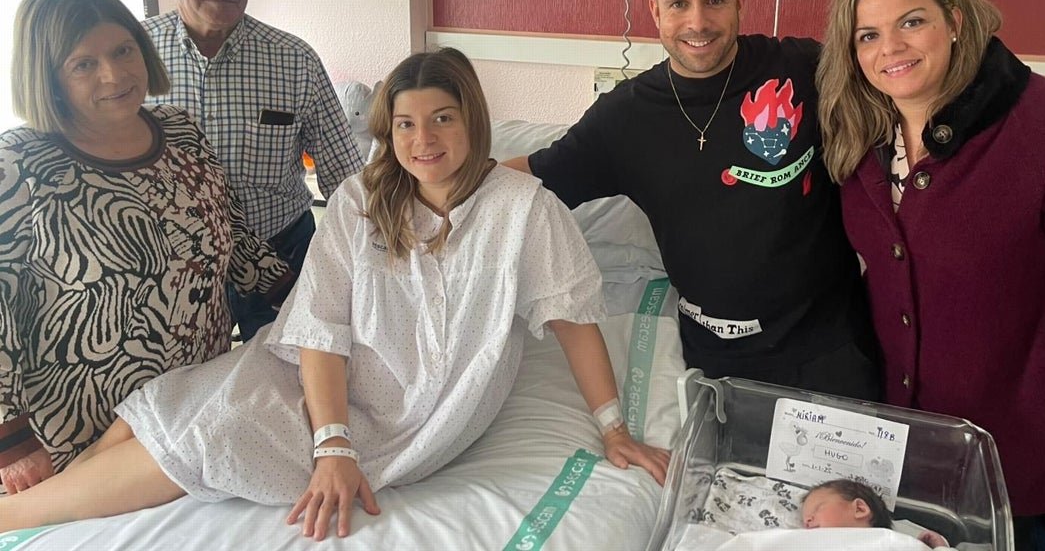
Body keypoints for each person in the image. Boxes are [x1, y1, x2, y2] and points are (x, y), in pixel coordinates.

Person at [0, 47, 670, 539]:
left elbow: (573, 317)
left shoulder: (524, 209)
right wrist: (333, 445)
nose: (423, 140)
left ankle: (17, 519)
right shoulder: (361, 198)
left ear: (473, 121)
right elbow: (318, 326)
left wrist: (614, 428)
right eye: (405, 125)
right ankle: (45, 501)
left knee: (216, 431)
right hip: (314, 369)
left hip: (407, 401)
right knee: (158, 406)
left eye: (442, 119)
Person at [814, 0, 1045, 551]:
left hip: (1036, 434)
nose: (890, 47)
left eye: (911, 22)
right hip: (926, 445)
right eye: (868, 35)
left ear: (953, 19)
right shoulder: (860, 131)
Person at [506, 0, 879, 399]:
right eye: (680, 4)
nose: (698, 23)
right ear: (655, 10)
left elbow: (903, 89)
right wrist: (412, 178)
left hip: (830, 350)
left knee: (850, 477)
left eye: (715, 1)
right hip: (718, 359)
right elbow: (531, 178)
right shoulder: (626, 118)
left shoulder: (805, 72)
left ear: (740, 2)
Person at [0, 0, 294, 495]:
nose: (114, 74)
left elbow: (232, 232)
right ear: (47, 76)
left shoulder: (180, 131)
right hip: (81, 438)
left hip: (192, 412)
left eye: (123, 50)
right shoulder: (17, 166)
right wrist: (11, 441)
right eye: (83, 63)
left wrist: (302, 296)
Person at [144, 0, 363, 342]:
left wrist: (366, 263)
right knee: (188, 389)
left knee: (292, 372)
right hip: (173, 263)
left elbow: (346, 177)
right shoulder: (132, 56)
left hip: (282, 254)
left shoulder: (294, 59)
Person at [801, 479, 948, 547]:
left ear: (859, 509)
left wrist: (940, 548)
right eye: (805, 519)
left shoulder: (892, 543)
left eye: (817, 509)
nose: (807, 521)